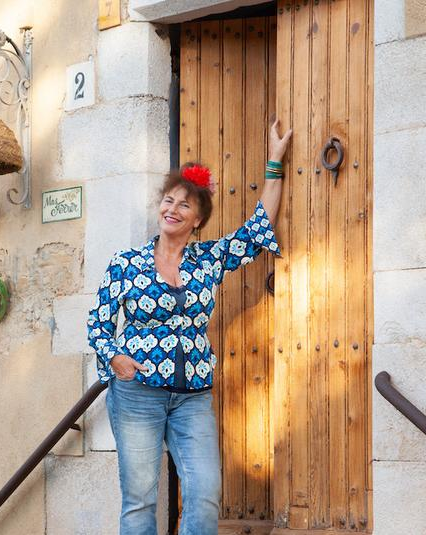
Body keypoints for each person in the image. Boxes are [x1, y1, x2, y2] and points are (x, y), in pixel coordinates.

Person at [87, 119, 292, 535]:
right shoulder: (126, 263)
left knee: (204, 492)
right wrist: (115, 358)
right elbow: (98, 325)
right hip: (138, 393)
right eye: (168, 201)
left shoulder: (208, 259)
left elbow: (256, 232)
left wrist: (275, 161)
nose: (172, 210)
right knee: (140, 500)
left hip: (192, 396)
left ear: (197, 220)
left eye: (184, 205)